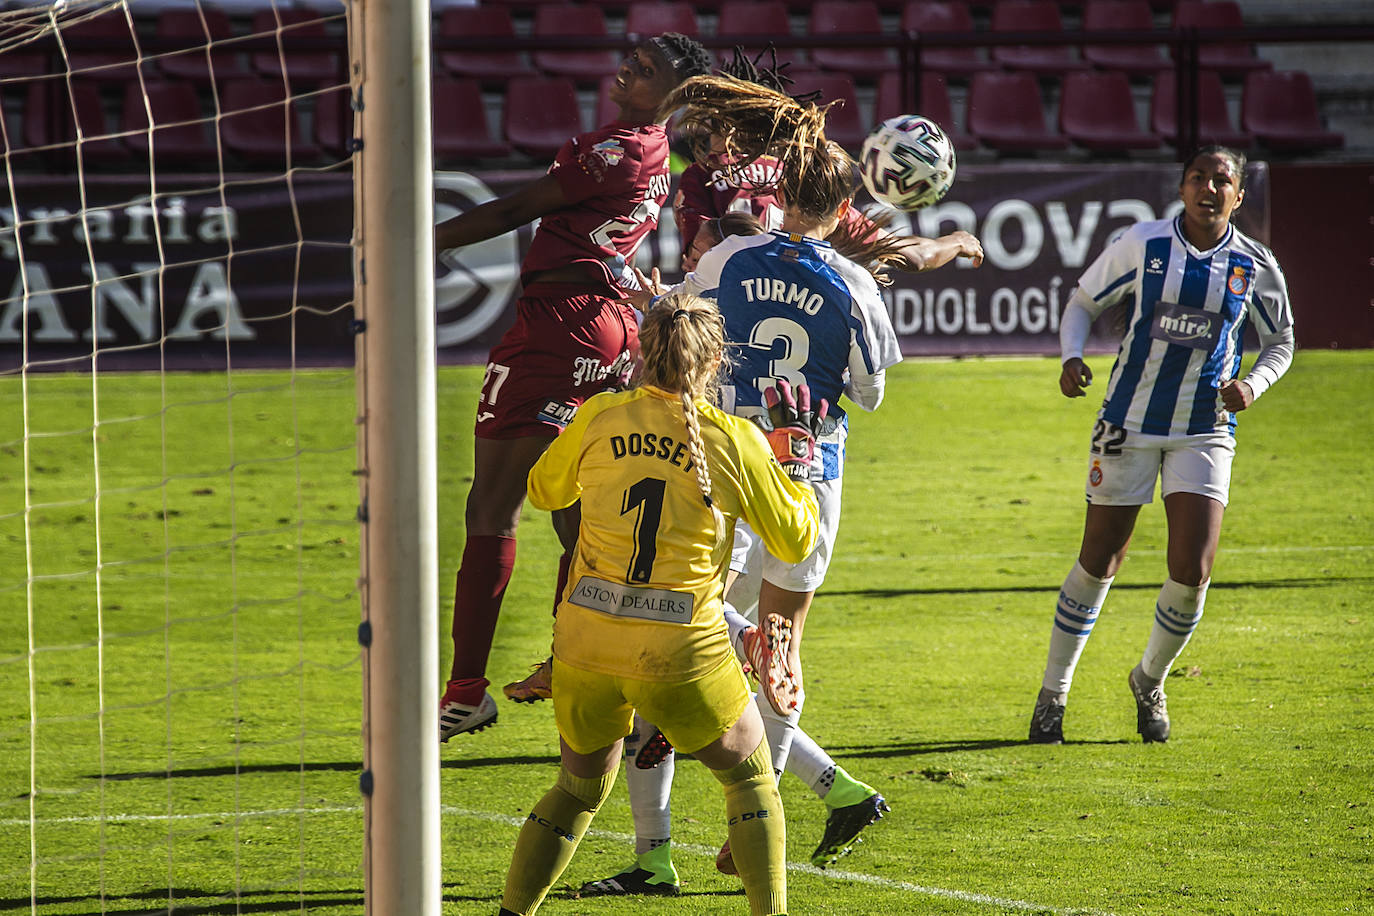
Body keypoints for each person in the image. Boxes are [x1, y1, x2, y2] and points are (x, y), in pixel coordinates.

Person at [496, 293, 819, 916]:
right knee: (750, 780)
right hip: (680, 650)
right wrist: (795, 463)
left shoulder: (598, 415)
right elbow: (796, 539)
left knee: (577, 790)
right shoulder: (733, 438)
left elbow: (542, 490)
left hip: (585, 640)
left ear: (642, 348)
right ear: (715, 361)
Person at [433, 34, 713, 740]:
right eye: (632, 59)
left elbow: (510, 211)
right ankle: (571, 660)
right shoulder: (654, 155)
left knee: (492, 506)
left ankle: (467, 692)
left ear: (673, 96)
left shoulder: (618, 149)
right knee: (574, 509)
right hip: (605, 329)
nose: (627, 70)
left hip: (559, 329)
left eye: (646, 70)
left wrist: (402, 238)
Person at [1028, 145, 1296, 745]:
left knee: (1193, 567)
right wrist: (1071, 357)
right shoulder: (1142, 244)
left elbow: (1282, 341)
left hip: (1205, 427)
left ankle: (1149, 680)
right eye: (1198, 177)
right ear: (1181, 187)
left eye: (1221, 180)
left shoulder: (1255, 264)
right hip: (1128, 420)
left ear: (1239, 194)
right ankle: (1053, 693)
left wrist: (1252, 383)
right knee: (1101, 557)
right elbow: (1082, 302)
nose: (1208, 188)